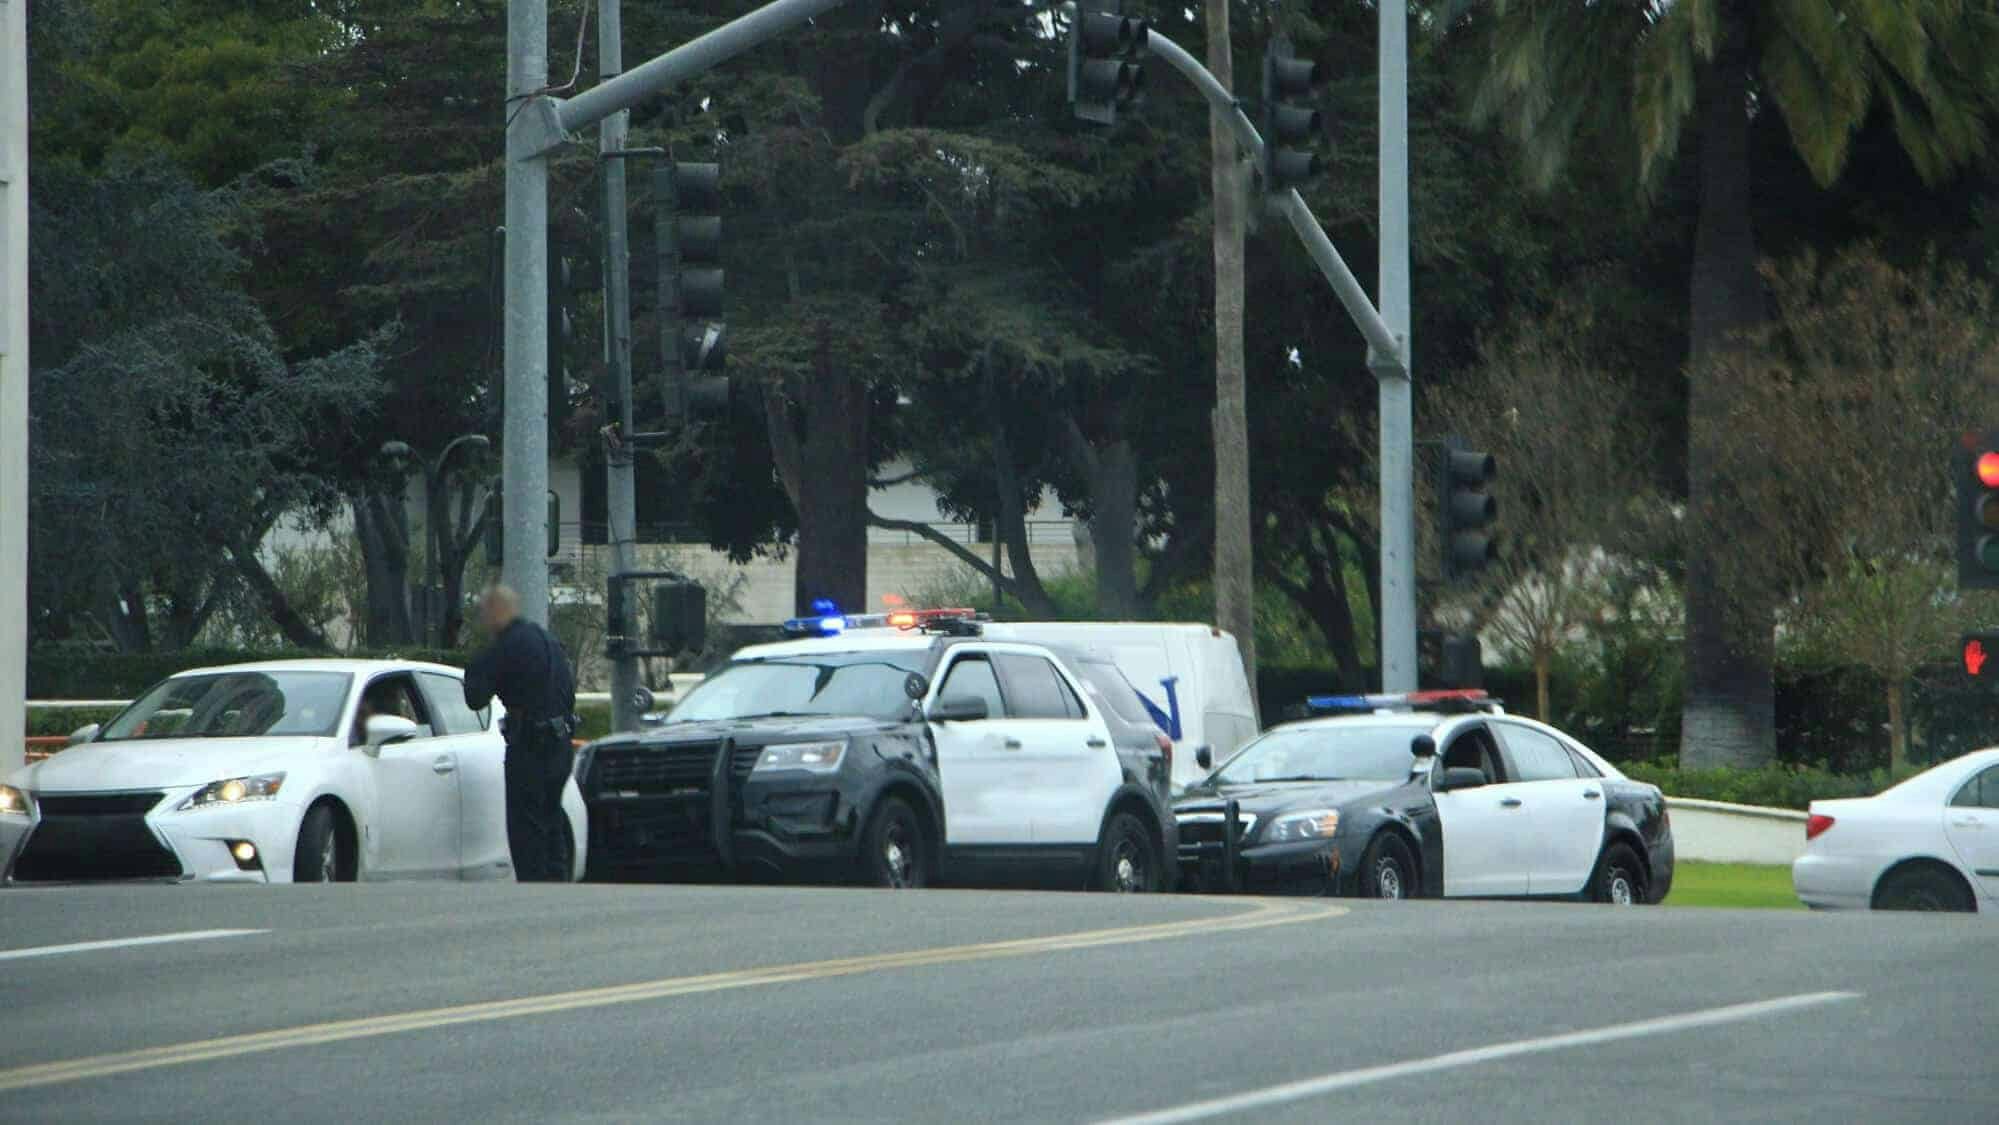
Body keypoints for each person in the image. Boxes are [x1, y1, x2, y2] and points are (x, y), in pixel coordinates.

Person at [464, 584, 578, 882]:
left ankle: (535, 895)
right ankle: (559, 889)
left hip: (530, 746)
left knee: (526, 830)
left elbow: (475, 696)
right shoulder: (549, 641)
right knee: (552, 822)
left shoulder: (506, 646)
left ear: (496, 613)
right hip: (561, 743)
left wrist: (476, 659)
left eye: (486, 613)